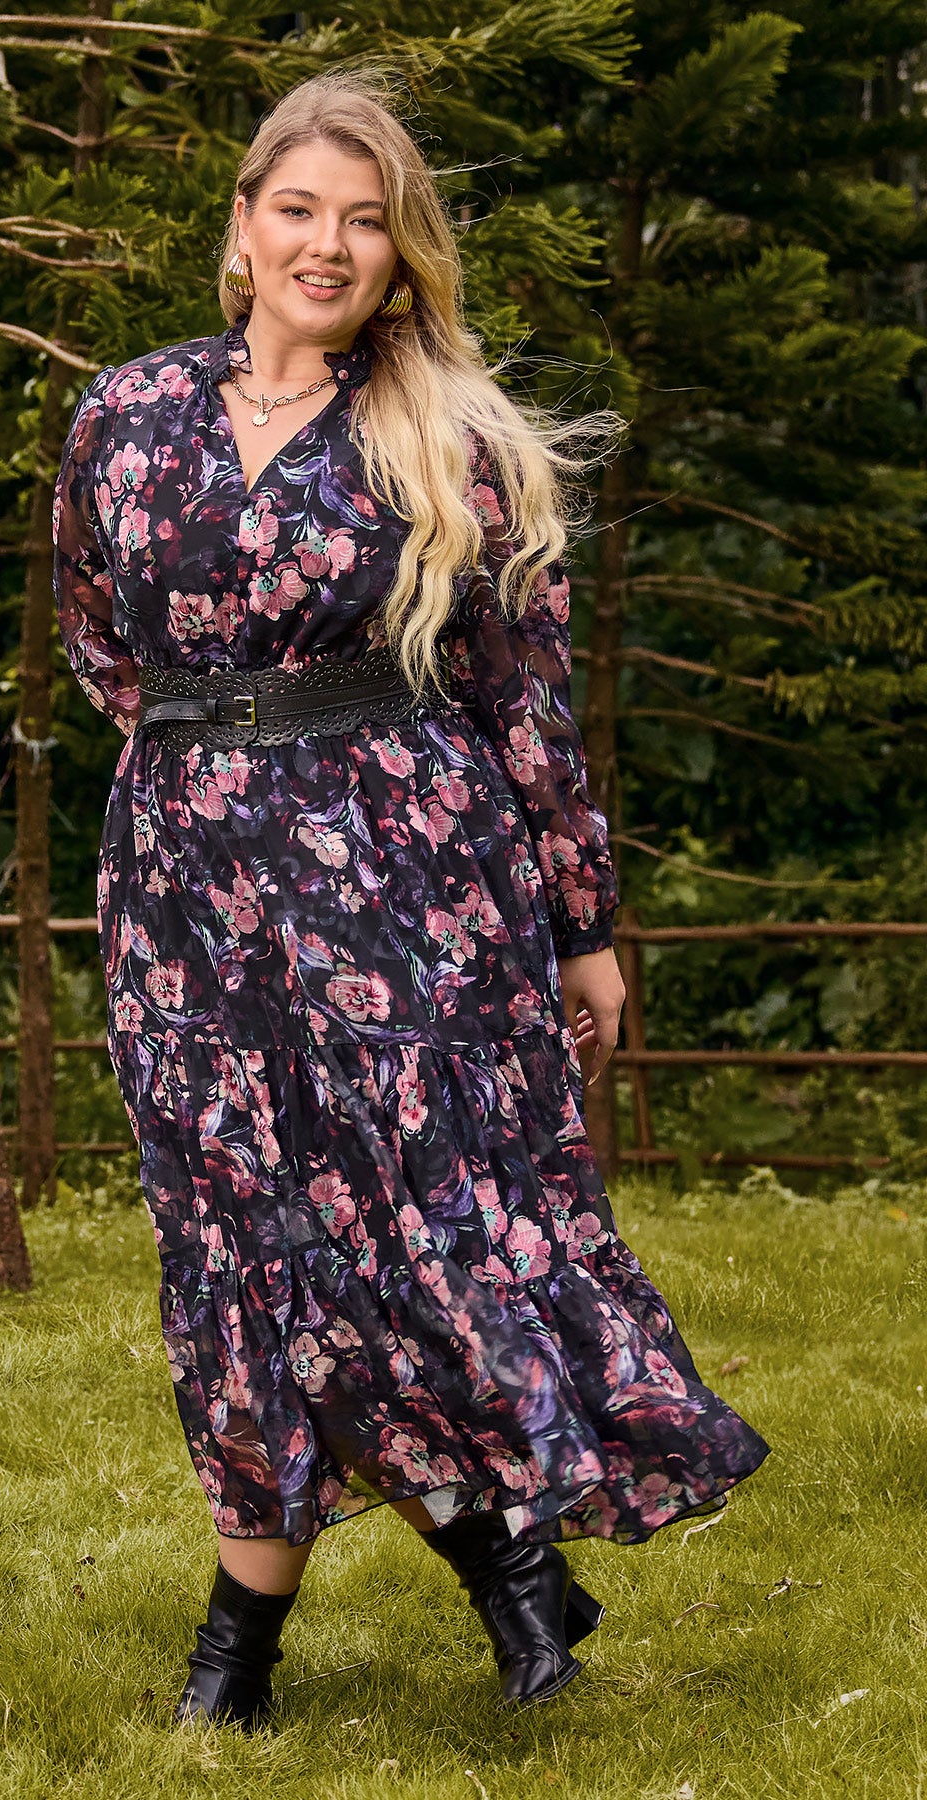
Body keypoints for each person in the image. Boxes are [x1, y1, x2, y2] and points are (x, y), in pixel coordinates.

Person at [53, 70, 770, 1731]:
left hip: (404, 877)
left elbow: (525, 699)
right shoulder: (125, 414)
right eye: (299, 210)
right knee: (240, 1240)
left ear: (399, 255)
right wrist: (216, 767)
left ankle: (251, 1650)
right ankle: (497, 1570)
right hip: (183, 890)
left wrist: (583, 923)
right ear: (243, 228)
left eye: (365, 222)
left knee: (415, 1227)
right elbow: (99, 638)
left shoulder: (445, 438)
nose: (328, 244)